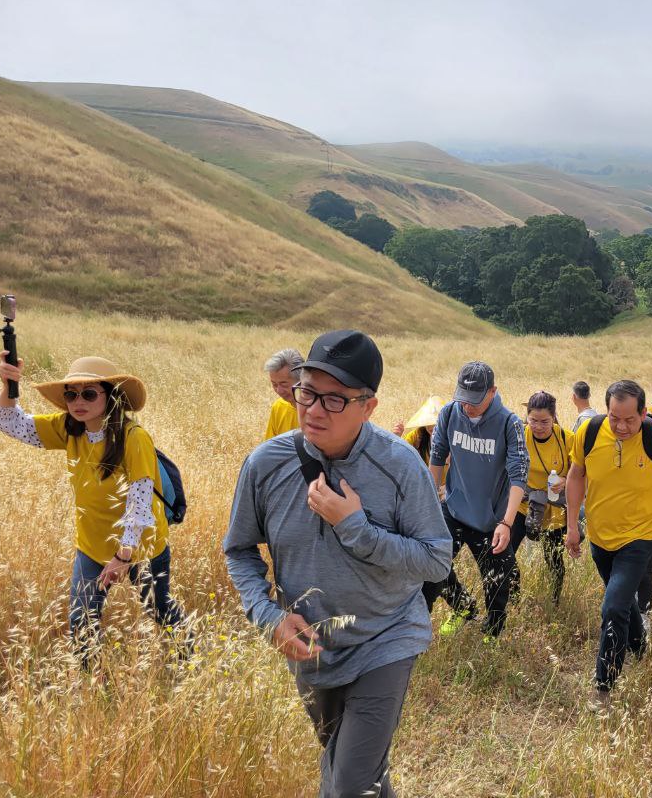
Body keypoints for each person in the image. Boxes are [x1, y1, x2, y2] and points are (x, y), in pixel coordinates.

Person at [224, 330, 452, 798]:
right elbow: (240, 550)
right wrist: (268, 618)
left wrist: (356, 528)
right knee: (360, 775)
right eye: (306, 392)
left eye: (334, 400)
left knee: (345, 785)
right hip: (313, 650)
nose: (312, 410)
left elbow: (436, 560)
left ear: (368, 406)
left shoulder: (401, 465)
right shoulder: (265, 464)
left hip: (385, 638)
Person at [0, 354, 188, 664]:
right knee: (81, 620)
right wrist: (9, 385)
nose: (77, 401)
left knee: (158, 608)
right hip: (92, 545)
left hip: (141, 545)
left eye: (88, 393)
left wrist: (123, 556)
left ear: (110, 396)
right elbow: (10, 423)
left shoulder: (133, 437)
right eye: (71, 393)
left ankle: (189, 657)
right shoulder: (69, 428)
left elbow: (139, 504)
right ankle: (92, 686)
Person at [564, 380, 652, 709]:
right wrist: (572, 525)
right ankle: (641, 645)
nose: (621, 426)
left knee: (613, 607)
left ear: (643, 413)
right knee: (623, 604)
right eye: (614, 418)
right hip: (601, 540)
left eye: (629, 419)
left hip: (640, 539)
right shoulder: (589, 432)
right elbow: (576, 475)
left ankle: (603, 686)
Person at [422, 361, 528, 640]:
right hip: (454, 509)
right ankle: (460, 608)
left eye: (474, 401)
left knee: (497, 582)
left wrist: (506, 523)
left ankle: (492, 634)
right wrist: (431, 502)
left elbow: (519, 476)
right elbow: (436, 457)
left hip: (491, 520)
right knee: (432, 569)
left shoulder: (510, 423)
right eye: (463, 399)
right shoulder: (449, 412)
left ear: (492, 392)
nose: (467, 407)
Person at [514, 390, 574, 604]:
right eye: (533, 420)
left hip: (553, 509)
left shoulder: (567, 438)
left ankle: (554, 600)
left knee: (554, 559)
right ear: (527, 417)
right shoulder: (519, 435)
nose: (538, 427)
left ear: (554, 417)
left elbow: (580, 470)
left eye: (544, 421)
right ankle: (513, 597)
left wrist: (565, 480)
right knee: (505, 554)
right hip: (522, 505)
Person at [264, 347, 303, 439]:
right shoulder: (278, 407)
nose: (279, 391)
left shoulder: (318, 409)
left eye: (284, 384)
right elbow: (271, 447)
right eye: (274, 384)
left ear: (301, 379)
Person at [396, 395, 444, 466]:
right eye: (428, 420)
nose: (431, 426)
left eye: (435, 421)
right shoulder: (416, 436)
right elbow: (400, 457)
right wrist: (396, 438)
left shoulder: (452, 437)